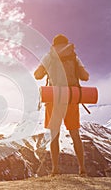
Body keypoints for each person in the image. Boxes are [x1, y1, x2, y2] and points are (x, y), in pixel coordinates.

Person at [34, 34, 89, 176]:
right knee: (75, 134)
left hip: (53, 98)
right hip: (70, 97)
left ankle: (55, 169)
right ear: (67, 44)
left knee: (54, 135)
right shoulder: (74, 57)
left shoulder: (49, 56)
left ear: (53, 45)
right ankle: (82, 169)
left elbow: (37, 75)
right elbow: (85, 77)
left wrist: (48, 70)